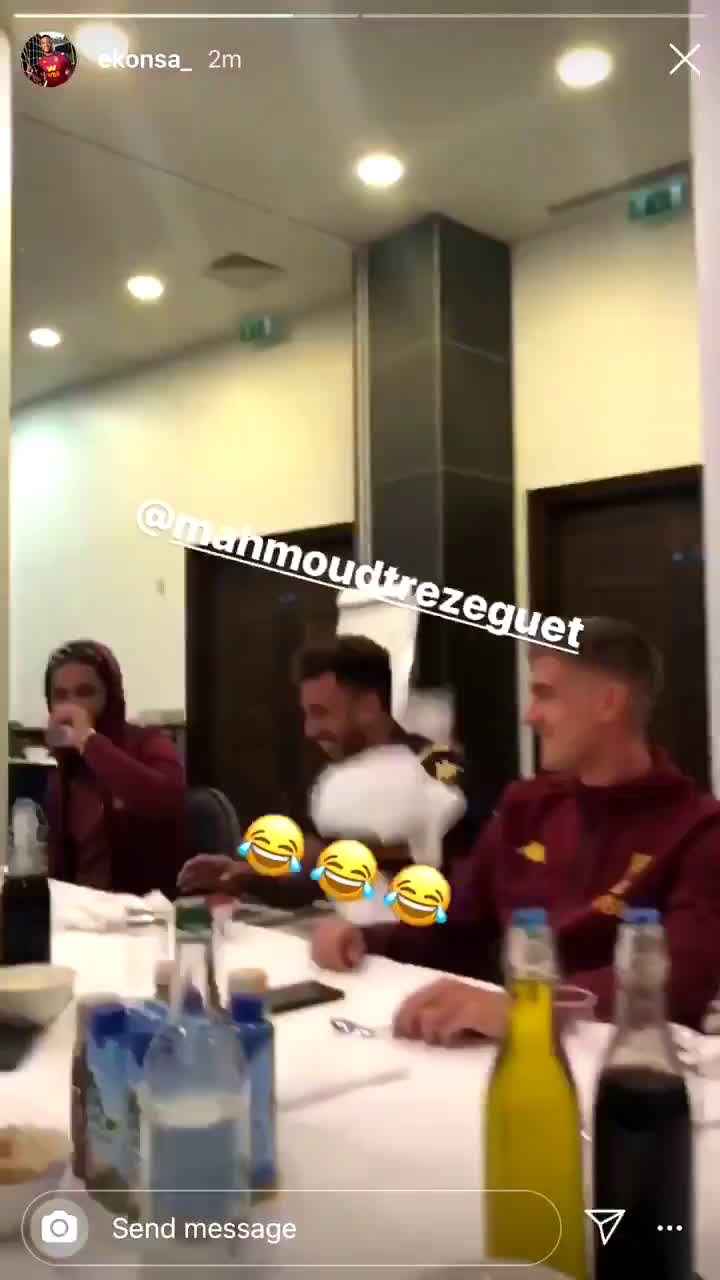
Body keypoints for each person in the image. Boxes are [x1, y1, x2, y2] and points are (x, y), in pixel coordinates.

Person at [311, 618, 720, 1036]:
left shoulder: (699, 829)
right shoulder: (527, 806)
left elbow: (682, 979)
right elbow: (457, 929)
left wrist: (529, 1007)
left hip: (630, 1059)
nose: (530, 716)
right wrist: (365, 939)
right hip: (505, 1045)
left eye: (545, 695)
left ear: (608, 703)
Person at [178, 635, 477, 903]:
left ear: (369, 707)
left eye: (321, 714)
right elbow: (314, 866)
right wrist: (245, 875)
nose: (310, 730)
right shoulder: (335, 777)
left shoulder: (436, 760)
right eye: (307, 715)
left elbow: (454, 855)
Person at [44, 640, 186, 898]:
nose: (71, 707)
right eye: (61, 696)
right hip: (79, 911)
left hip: (141, 911)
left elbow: (167, 799)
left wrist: (88, 741)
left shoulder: (149, 743)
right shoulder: (63, 772)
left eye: (85, 693)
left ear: (110, 697)